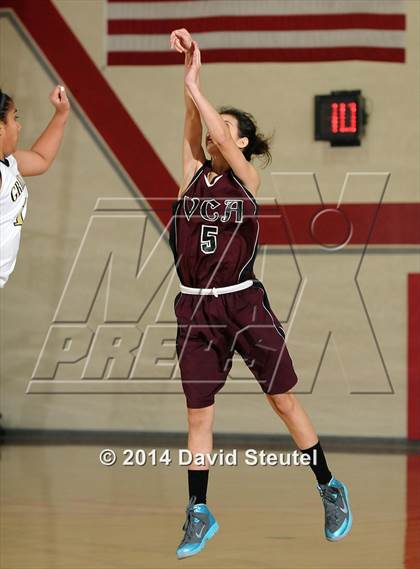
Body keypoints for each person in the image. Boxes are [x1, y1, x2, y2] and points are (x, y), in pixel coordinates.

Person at [169, 29, 352, 560]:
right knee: (198, 414)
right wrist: (190, 66)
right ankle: (199, 511)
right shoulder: (190, 176)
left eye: (225, 129)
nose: (212, 134)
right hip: (195, 307)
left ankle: (328, 486)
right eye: (212, 127)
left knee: (282, 400)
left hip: (244, 304)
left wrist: (197, 83)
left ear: (243, 141)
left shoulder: (246, 178)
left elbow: (219, 137)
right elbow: (192, 121)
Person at [0, 85, 70, 288]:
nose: (18, 126)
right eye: (15, 118)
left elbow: (41, 159)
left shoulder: (9, 162)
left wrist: (61, 114)